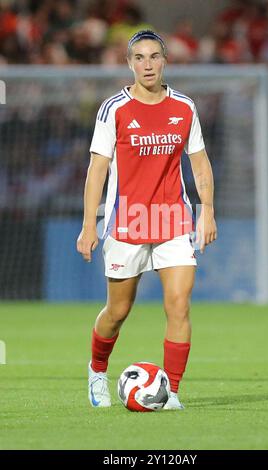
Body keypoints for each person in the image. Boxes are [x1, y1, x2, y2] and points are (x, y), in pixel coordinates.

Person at [77, 29, 217, 410]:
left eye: (154, 56)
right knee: (118, 311)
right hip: (129, 221)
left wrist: (207, 211)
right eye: (139, 57)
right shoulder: (114, 109)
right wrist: (90, 223)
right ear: (129, 64)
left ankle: (170, 392)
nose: (147, 64)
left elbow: (200, 162)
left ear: (165, 60)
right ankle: (96, 370)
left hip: (173, 218)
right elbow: (97, 169)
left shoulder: (185, 107)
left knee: (179, 305)